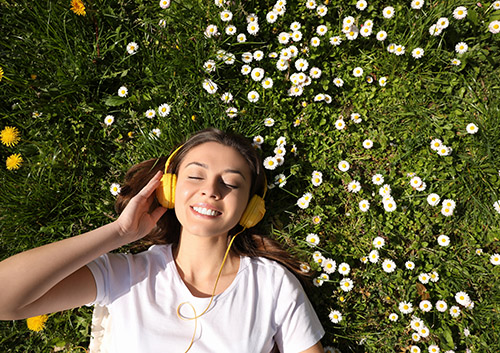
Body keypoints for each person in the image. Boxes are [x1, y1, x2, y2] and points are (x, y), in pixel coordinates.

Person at [0, 128, 325, 352]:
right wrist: (117, 233)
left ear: (250, 209)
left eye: (231, 183)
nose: (211, 190)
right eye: (195, 176)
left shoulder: (271, 285)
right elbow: (6, 300)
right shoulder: (124, 275)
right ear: (170, 190)